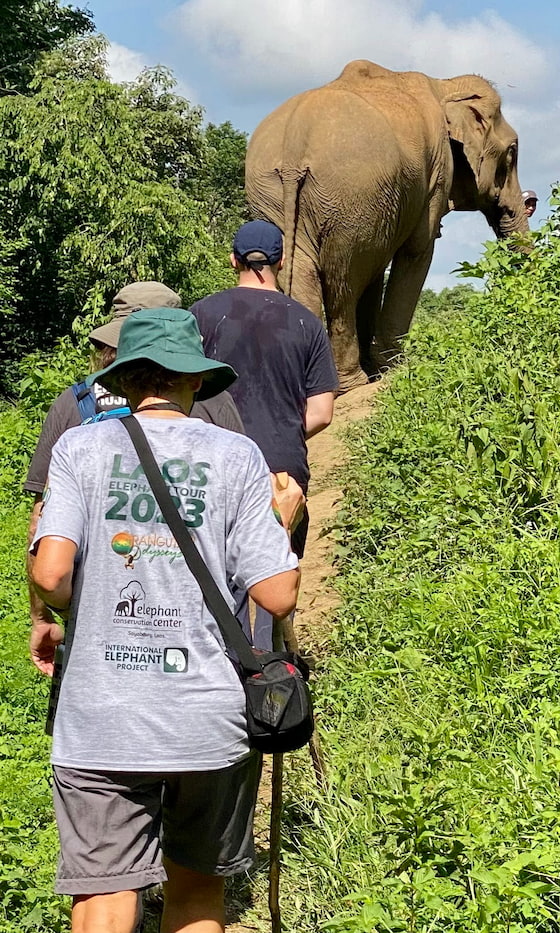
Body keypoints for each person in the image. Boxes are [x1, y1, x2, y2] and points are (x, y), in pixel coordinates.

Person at [29, 306, 302, 933]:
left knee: (104, 893)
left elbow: (49, 573)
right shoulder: (236, 456)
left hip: (101, 715)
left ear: (125, 382)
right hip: (206, 716)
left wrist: (80, 606)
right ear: (194, 381)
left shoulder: (81, 447)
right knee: (197, 892)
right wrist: (279, 518)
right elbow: (279, 594)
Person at [25, 282, 247, 654]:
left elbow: (41, 525)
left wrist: (43, 618)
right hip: (198, 631)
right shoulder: (212, 401)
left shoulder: (74, 404)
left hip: (97, 626)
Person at [190, 220, 339, 647]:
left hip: (209, 461)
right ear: (282, 261)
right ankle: (273, 671)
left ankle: (218, 659)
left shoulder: (202, 314)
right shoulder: (307, 322)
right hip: (281, 468)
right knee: (274, 570)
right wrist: (283, 431)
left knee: (211, 565)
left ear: (233, 259)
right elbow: (322, 412)